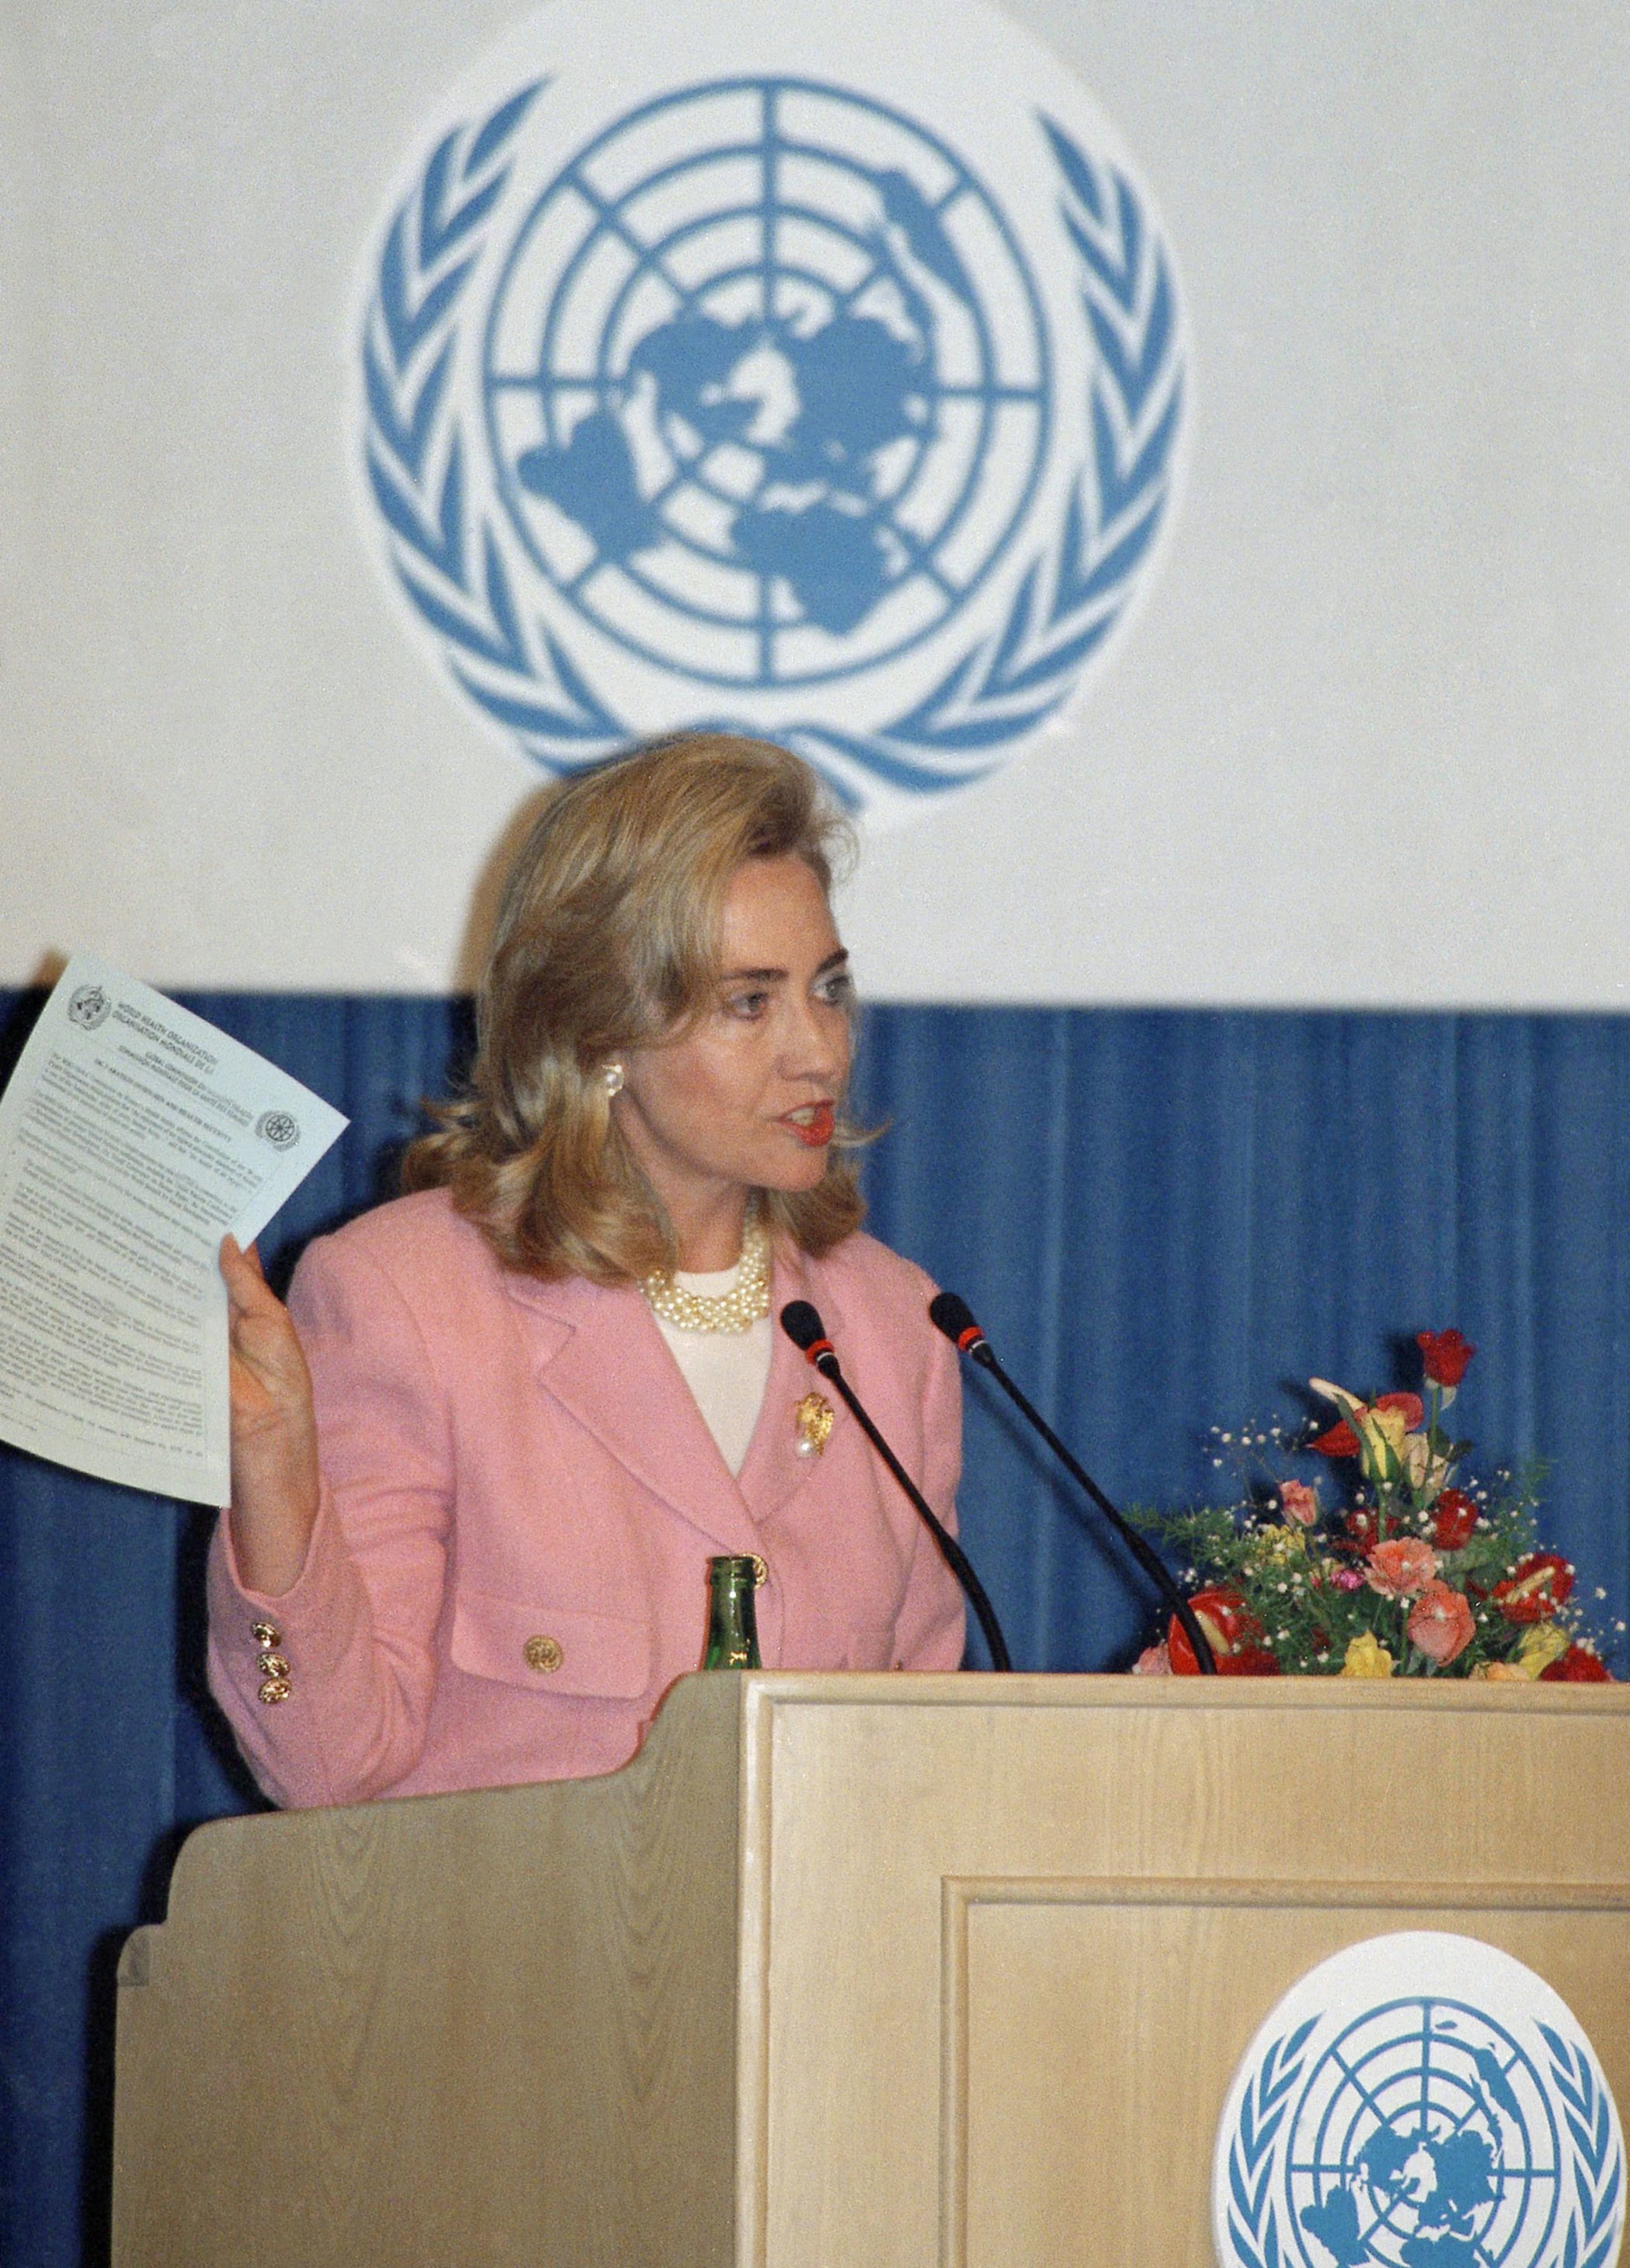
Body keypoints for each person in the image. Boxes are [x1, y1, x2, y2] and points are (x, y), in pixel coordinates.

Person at [207, 734, 966, 1806]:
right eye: (751, 1002)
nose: (821, 1051)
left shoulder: (897, 1329)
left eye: (828, 988)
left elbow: (920, 1770)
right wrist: (278, 1483)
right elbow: (327, 1768)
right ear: (601, 1032)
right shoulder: (406, 1299)